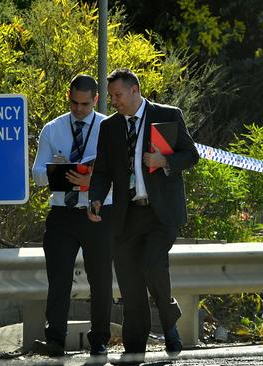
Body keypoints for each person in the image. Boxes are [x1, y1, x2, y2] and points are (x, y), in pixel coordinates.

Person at [88, 68, 199, 364]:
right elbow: (101, 171)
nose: (114, 101)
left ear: (135, 90)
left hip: (161, 212)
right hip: (126, 215)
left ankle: (168, 318)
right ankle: (134, 349)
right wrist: (96, 198)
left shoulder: (167, 115)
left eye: (118, 95)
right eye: (111, 96)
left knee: (152, 264)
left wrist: (165, 160)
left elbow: (191, 155)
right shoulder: (110, 127)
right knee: (129, 282)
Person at [31, 74, 113, 360]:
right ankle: (55, 339)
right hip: (62, 213)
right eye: (74, 103)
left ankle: (100, 340)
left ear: (95, 100)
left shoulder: (108, 127)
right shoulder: (52, 129)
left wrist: (93, 178)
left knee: (101, 279)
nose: (79, 109)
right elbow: (37, 175)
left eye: (85, 104)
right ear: (68, 96)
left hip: (98, 211)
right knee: (59, 279)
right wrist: (57, 170)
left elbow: (122, 174)